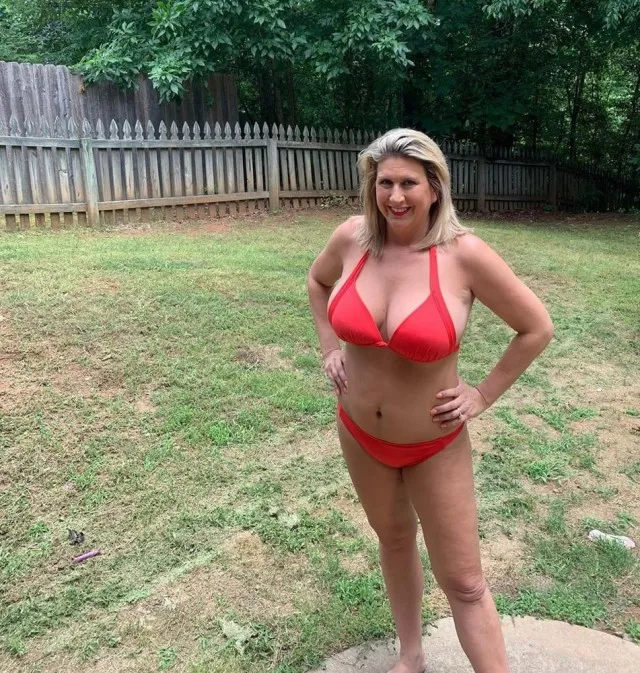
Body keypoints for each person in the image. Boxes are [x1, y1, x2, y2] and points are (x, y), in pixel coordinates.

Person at [307, 128, 554, 673]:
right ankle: (411, 656)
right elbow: (318, 282)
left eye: (409, 183)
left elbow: (536, 327)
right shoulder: (351, 239)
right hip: (359, 432)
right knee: (394, 540)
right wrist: (329, 347)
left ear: (435, 187)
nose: (395, 196)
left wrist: (483, 393)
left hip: (433, 443)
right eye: (385, 183)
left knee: (464, 582)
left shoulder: (464, 255)